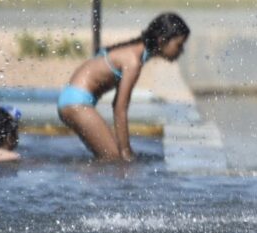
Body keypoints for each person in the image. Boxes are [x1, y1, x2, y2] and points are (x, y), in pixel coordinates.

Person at [58, 12, 189, 161]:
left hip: (73, 100)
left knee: (108, 158)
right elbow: (120, 108)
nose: (181, 51)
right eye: (179, 45)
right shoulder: (133, 61)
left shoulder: (135, 51)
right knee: (114, 158)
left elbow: (117, 105)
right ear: (162, 40)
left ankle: (86, 181)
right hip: (76, 103)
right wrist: (126, 152)